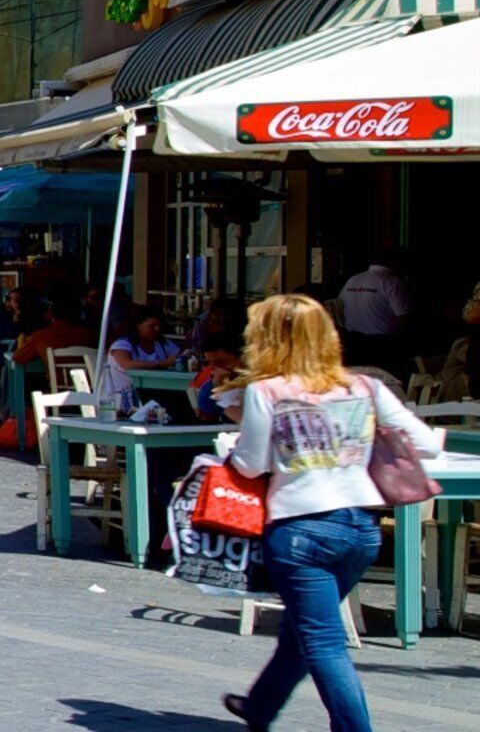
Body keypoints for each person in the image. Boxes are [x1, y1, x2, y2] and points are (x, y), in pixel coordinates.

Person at [219, 293, 435, 732]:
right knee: (303, 630)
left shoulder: (266, 391)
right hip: (359, 526)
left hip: (300, 527)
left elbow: (252, 463)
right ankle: (259, 707)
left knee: (323, 641)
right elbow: (426, 442)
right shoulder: (364, 387)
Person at [106, 307, 195, 422]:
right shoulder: (122, 344)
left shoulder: (162, 344)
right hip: (124, 400)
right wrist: (162, 363)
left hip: (156, 395)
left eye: (159, 326)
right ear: (137, 325)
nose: (157, 329)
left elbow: (178, 357)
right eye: (151, 326)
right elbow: (127, 364)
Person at [334, 254, 412, 376]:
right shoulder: (392, 283)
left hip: (353, 342)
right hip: (383, 346)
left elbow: (339, 307)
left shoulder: (353, 280)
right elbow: (404, 318)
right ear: (395, 262)